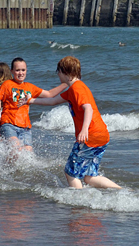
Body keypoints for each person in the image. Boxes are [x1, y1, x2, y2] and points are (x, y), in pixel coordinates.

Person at [30, 56, 121, 189]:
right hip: (102, 136)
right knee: (90, 177)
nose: (58, 75)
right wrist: (30, 101)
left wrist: (84, 130)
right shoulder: (72, 89)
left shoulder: (77, 88)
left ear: (65, 72)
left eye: (58, 72)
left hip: (90, 136)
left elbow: (88, 108)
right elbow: (52, 101)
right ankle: (121, 191)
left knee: (70, 172)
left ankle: (79, 201)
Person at [0, 58, 55, 152]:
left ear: (26, 70)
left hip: (25, 127)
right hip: (8, 124)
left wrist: (68, 84)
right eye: (17, 70)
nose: (21, 73)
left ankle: (6, 165)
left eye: (23, 70)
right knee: (16, 148)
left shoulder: (29, 87)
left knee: (28, 152)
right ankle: (6, 165)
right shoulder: (7, 84)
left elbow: (49, 94)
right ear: (12, 71)